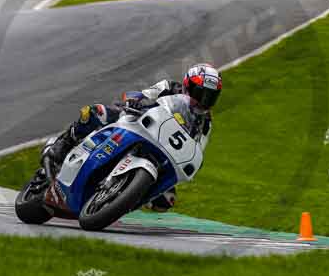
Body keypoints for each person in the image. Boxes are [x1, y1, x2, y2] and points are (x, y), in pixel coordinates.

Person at [42, 63, 222, 212]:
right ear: (187, 85)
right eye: (200, 93)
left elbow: (196, 147)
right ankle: (62, 145)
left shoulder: (205, 123)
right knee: (96, 112)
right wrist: (136, 100)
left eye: (210, 97)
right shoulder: (170, 87)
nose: (204, 101)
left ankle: (121, 197)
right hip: (134, 118)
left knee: (166, 201)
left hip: (162, 149)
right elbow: (146, 94)